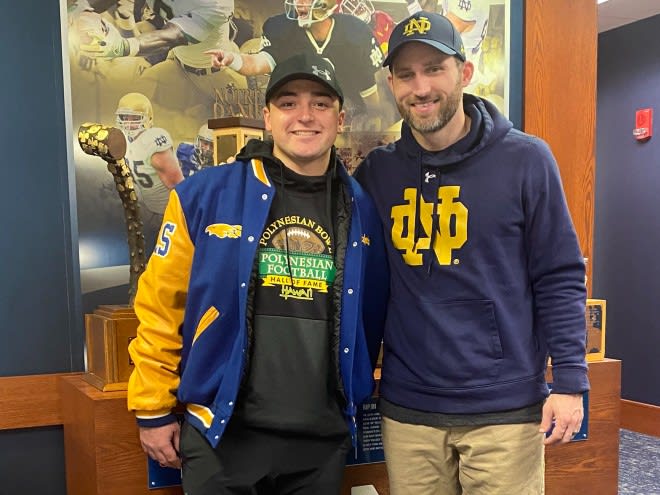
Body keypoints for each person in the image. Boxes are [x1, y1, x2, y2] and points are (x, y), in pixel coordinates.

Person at [127, 52, 388, 494]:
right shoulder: (203, 196)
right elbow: (160, 305)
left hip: (319, 443)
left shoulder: (361, 208)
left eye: (320, 103)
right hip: (222, 436)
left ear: (340, 119)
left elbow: (370, 316)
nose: (304, 116)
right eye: (288, 103)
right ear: (267, 117)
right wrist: (152, 407)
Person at [354, 11, 589, 495]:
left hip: (504, 411)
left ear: (464, 72)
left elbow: (560, 276)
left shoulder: (526, 159)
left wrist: (569, 380)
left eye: (434, 69)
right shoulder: (377, 173)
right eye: (406, 74)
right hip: (409, 410)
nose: (420, 88)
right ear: (392, 85)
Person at [206, 0, 394, 130]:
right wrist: (233, 59)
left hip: (351, 115)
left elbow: (371, 91)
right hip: (307, 118)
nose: (299, 4)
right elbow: (258, 64)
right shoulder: (283, 30)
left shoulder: (354, 33)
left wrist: (373, 122)